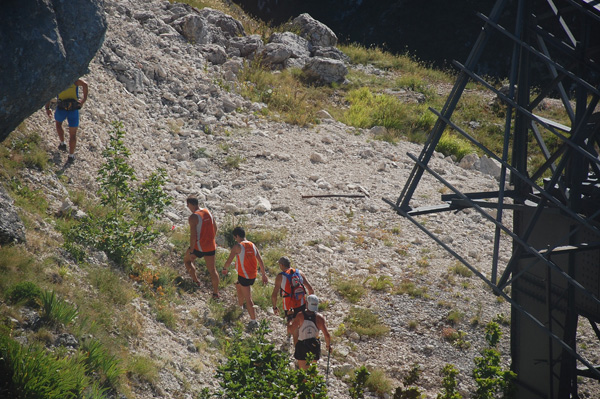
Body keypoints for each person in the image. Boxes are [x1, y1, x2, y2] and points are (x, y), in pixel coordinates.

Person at [222, 226, 268, 330]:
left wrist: (224, 269)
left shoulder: (238, 246)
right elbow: (260, 260)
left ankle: (253, 321)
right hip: (253, 275)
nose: (235, 239)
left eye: (235, 237)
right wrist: (264, 275)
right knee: (238, 285)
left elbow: (229, 261)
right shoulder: (252, 245)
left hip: (244, 275)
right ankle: (240, 306)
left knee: (249, 298)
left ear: (237, 236)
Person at [271, 256, 314, 345]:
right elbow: (310, 289)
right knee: (299, 321)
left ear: (282, 265)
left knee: (290, 321)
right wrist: (309, 304)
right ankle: (300, 339)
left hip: (289, 305)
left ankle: (289, 339)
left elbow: (274, 294)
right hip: (301, 302)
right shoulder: (299, 273)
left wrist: (275, 307)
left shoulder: (280, 276)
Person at [45, 79, 88, 164]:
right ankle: (71, 156)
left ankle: (62, 143)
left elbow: (49, 93)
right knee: (73, 134)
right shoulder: (74, 80)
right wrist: (83, 100)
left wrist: (47, 108)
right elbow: (85, 84)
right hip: (73, 109)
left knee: (58, 124)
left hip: (61, 108)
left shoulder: (57, 81)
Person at [184, 197, 220, 299]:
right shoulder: (208, 211)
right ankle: (215, 293)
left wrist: (191, 250)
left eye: (188, 205)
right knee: (212, 270)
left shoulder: (193, 217)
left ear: (191, 204)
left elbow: (193, 235)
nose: (188, 208)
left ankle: (196, 281)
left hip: (198, 247)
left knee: (187, 261)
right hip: (210, 247)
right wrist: (211, 239)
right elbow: (215, 228)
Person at [287, 294, 331, 370]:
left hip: (302, 346)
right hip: (314, 345)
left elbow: (290, 330)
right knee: (312, 373)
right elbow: (327, 335)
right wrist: (328, 346)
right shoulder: (320, 318)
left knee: (303, 373)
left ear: (307, 303)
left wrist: (290, 317)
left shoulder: (300, 315)